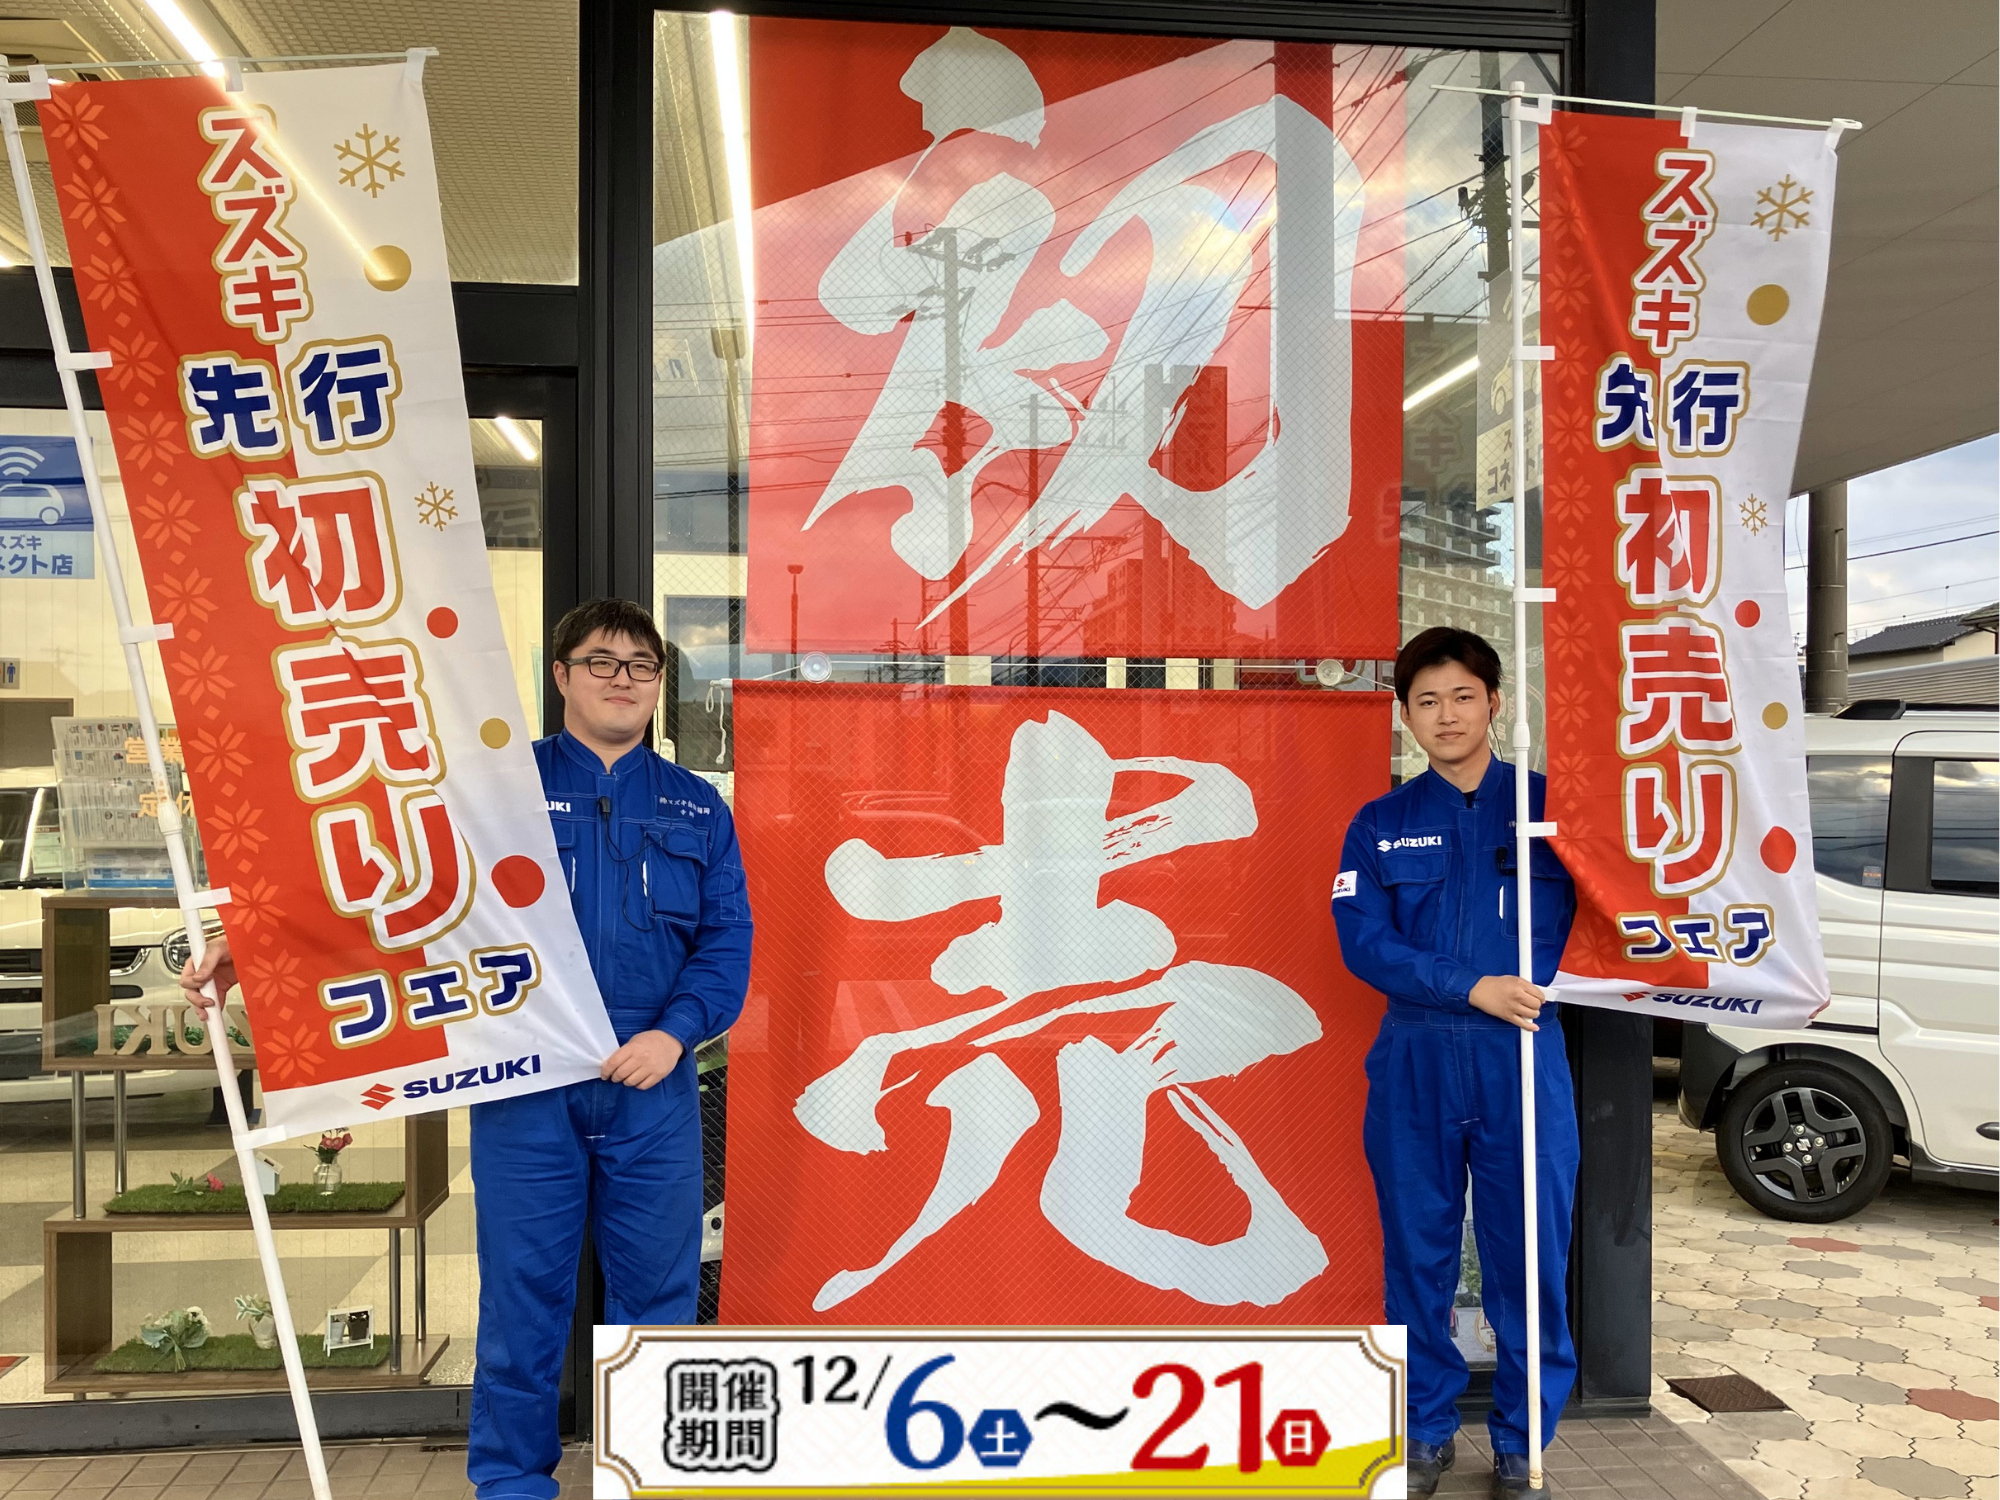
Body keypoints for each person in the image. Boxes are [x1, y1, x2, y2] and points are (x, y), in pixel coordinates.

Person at [183, 597, 752, 1500]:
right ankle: (512, 1483)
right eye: (601, 662)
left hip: (651, 1088)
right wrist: (253, 947)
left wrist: (673, 1034)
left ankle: (652, 1481)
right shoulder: (499, 792)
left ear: (658, 685)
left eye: (642, 666)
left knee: (659, 1302)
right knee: (524, 1301)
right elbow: (391, 893)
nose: (623, 680)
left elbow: (726, 943)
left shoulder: (697, 807)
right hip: (527, 1086)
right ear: (560, 676)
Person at [1330, 627, 1578, 1500]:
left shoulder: (1553, 815)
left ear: (1495, 703)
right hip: (1416, 1059)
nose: (1446, 715)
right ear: (1406, 716)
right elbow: (1363, 942)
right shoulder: (1381, 824)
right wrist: (1468, 985)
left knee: (1530, 1259)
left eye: (1463, 696)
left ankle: (1522, 1442)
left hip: (1524, 1058)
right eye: (1426, 701)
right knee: (1418, 1258)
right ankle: (1425, 1432)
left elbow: (1618, 920)